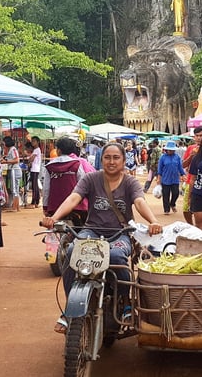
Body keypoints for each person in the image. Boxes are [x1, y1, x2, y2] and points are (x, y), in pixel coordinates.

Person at [41, 143, 163, 334]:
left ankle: (126, 303)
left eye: (116, 157)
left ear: (123, 160)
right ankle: (69, 307)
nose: (111, 161)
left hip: (120, 233)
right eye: (107, 157)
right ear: (101, 159)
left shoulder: (130, 182)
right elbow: (73, 198)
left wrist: (153, 221)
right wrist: (54, 218)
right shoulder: (90, 179)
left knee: (116, 257)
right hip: (92, 231)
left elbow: (140, 202)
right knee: (72, 251)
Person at [43, 137, 90, 227]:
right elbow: (83, 184)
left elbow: (46, 189)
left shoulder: (49, 166)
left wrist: (45, 207)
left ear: (58, 150)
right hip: (76, 206)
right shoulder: (76, 164)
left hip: (55, 207)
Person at [182, 126, 202, 224]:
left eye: (201, 135)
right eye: (197, 136)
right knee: (186, 208)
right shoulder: (191, 148)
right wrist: (191, 155)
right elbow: (183, 165)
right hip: (190, 182)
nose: (199, 138)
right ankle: (190, 225)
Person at [157, 140, 186, 215]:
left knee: (176, 193)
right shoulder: (162, 157)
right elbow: (160, 169)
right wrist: (159, 178)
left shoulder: (177, 157)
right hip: (165, 179)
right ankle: (166, 209)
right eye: (169, 150)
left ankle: (172, 204)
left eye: (172, 150)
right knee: (166, 195)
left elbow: (180, 167)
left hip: (175, 179)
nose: (170, 151)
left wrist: (183, 175)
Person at [1, 137, 21, 212]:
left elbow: (16, 160)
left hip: (14, 170)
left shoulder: (13, 149)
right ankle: (16, 206)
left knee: (14, 189)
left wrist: (6, 161)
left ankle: (15, 207)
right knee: (15, 188)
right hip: (14, 170)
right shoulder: (11, 150)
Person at [26, 136, 42, 209]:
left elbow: (31, 159)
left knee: (34, 186)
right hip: (34, 169)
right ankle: (36, 201)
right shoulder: (35, 150)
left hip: (35, 169)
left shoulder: (37, 150)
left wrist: (29, 159)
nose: (32, 143)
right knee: (34, 185)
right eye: (32, 141)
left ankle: (34, 202)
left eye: (34, 141)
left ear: (37, 142)